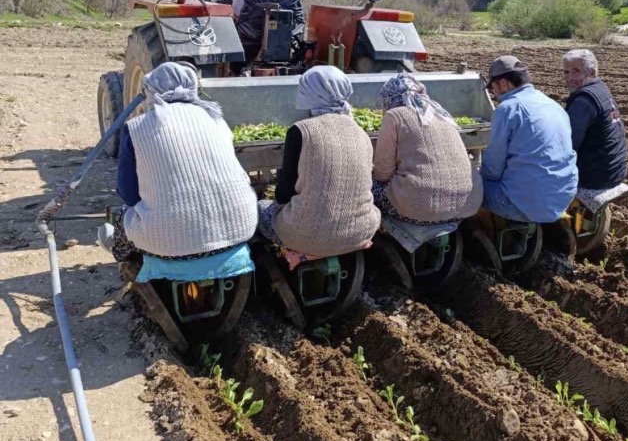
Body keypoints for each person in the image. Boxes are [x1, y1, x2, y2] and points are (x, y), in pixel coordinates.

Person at [100, 62, 258, 281]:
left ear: (150, 90)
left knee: (125, 214)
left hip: (169, 246)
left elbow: (128, 193)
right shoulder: (217, 119)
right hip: (241, 230)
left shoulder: (136, 127)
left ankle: (120, 251)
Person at [257, 66, 380, 261]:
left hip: (304, 235)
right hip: (361, 232)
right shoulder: (361, 132)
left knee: (261, 209)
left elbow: (284, 193)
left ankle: (280, 258)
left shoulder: (301, 130)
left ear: (310, 93)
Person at [372, 73, 483, 225]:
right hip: (468, 205)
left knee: (371, 187)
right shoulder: (440, 112)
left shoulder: (395, 115)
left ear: (388, 97)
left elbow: (383, 173)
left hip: (422, 209)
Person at [479, 55, 577, 223]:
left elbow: (493, 167)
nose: (494, 94)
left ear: (503, 83)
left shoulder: (507, 109)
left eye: (493, 88)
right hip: (562, 197)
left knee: (470, 187)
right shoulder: (552, 105)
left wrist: (477, 173)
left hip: (526, 204)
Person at [563, 49, 628, 191]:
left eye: (576, 71)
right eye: (566, 72)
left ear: (592, 73)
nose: (569, 78)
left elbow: (568, 145)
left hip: (597, 176)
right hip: (616, 169)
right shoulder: (600, 88)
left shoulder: (583, 102)